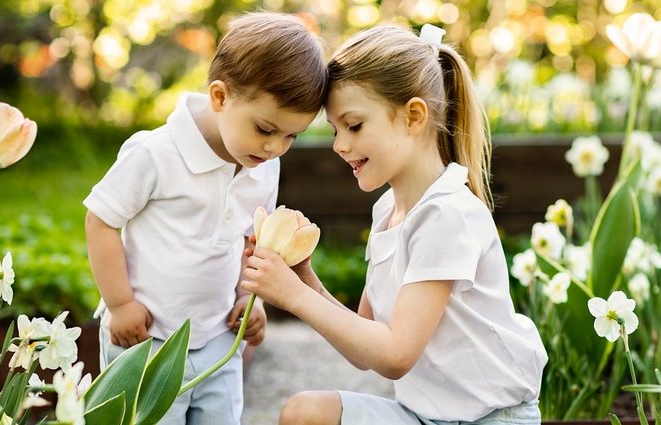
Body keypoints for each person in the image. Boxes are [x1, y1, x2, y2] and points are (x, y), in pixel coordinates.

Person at [240, 23, 547, 425]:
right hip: (422, 416)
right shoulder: (387, 211)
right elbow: (363, 341)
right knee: (305, 413)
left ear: (413, 117)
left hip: (490, 419)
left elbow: (395, 355)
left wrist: (294, 297)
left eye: (354, 125)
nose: (339, 144)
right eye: (335, 130)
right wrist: (304, 281)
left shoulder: (446, 214)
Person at [83, 11, 327, 425]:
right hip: (148, 344)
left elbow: (254, 240)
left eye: (291, 135)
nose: (275, 148)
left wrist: (250, 298)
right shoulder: (156, 154)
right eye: (265, 129)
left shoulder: (262, 166)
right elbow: (101, 220)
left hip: (218, 340)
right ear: (219, 97)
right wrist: (120, 303)